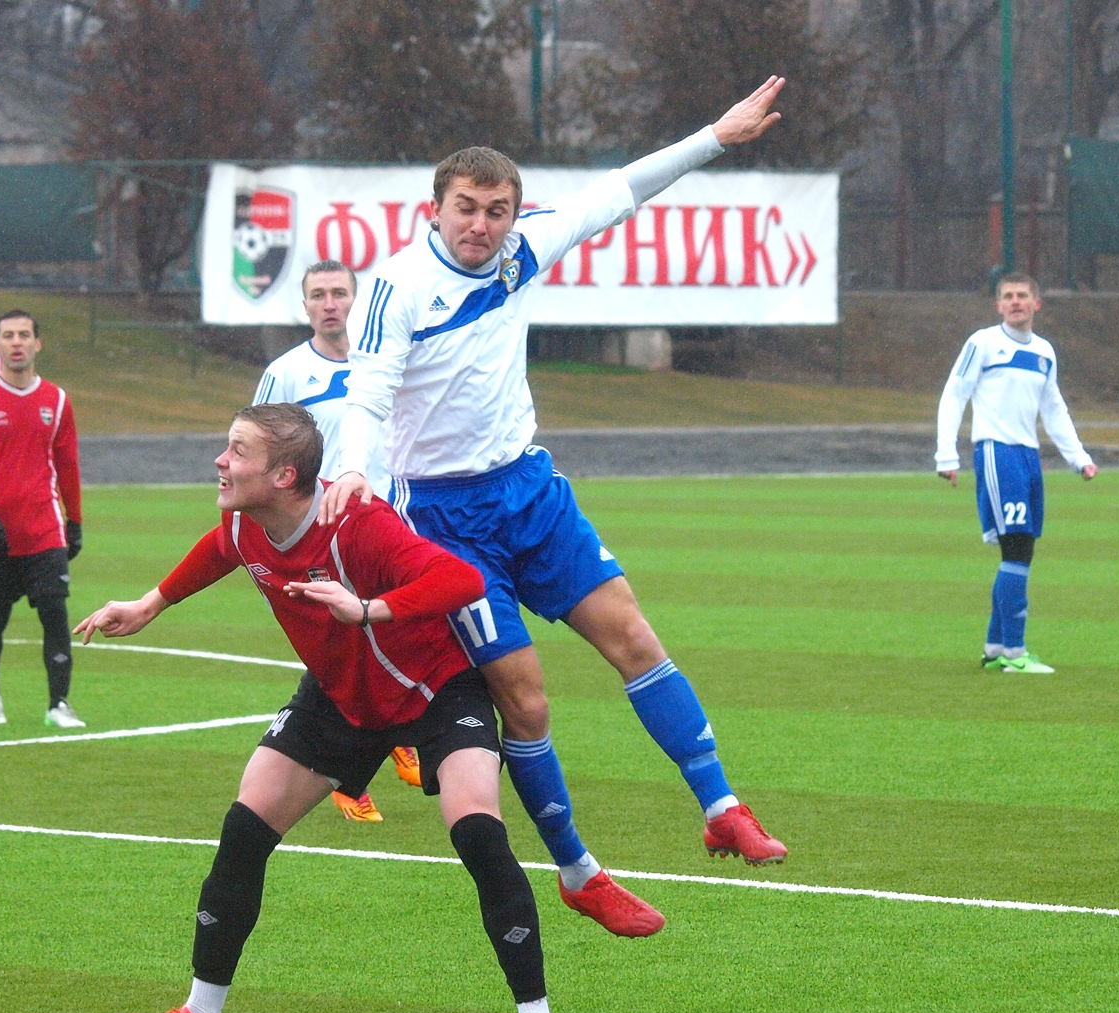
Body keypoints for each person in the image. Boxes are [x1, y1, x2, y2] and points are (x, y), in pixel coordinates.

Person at [319, 78, 793, 939]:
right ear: (435, 209)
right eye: (466, 208)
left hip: (530, 492)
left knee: (635, 638)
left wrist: (714, 137)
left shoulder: (523, 247)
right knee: (528, 701)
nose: (481, 225)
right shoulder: (396, 285)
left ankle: (722, 807)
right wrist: (353, 467)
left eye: (496, 210)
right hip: (443, 520)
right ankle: (579, 871)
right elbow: (370, 389)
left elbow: (623, 189)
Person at [78, 403, 569, 1013]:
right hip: (339, 697)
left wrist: (368, 609)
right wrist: (150, 604)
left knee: (477, 831)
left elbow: (461, 579)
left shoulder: (355, 521)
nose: (221, 461)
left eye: (237, 451)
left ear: (283, 476)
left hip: (434, 689)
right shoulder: (245, 522)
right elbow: (220, 549)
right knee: (244, 830)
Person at [254, 260, 416, 822]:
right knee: (338, 646)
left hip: (389, 520)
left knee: (396, 629)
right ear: (305, 306)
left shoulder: (388, 363)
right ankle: (360, 767)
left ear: (357, 301)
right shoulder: (286, 372)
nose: (330, 304)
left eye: (339, 293)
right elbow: (257, 444)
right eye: (318, 295)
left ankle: (367, 760)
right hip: (320, 532)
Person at [936, 273, 1097, 673]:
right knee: (1018, 548)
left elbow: (1053, 409)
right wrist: (946, 454)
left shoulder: (1044, 352)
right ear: (998, 306)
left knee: (1022, 549)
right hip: (996, 451)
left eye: (1022, 295)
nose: (1015, 302)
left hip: (1028, 456)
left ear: (1036, 304)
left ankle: (995, 649)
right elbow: (954, 394)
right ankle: (1015, 653)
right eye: (1007, 296)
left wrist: (1078, 457)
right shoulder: (983, 343)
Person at [0, 310, 85, 727]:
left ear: (37, 343)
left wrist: (74, 520)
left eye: (24, 335)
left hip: (44, 529)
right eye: (9, 335)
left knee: (55, 613)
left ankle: (58, 704)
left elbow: (68, 464)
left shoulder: (57, 400)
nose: (17, 342)